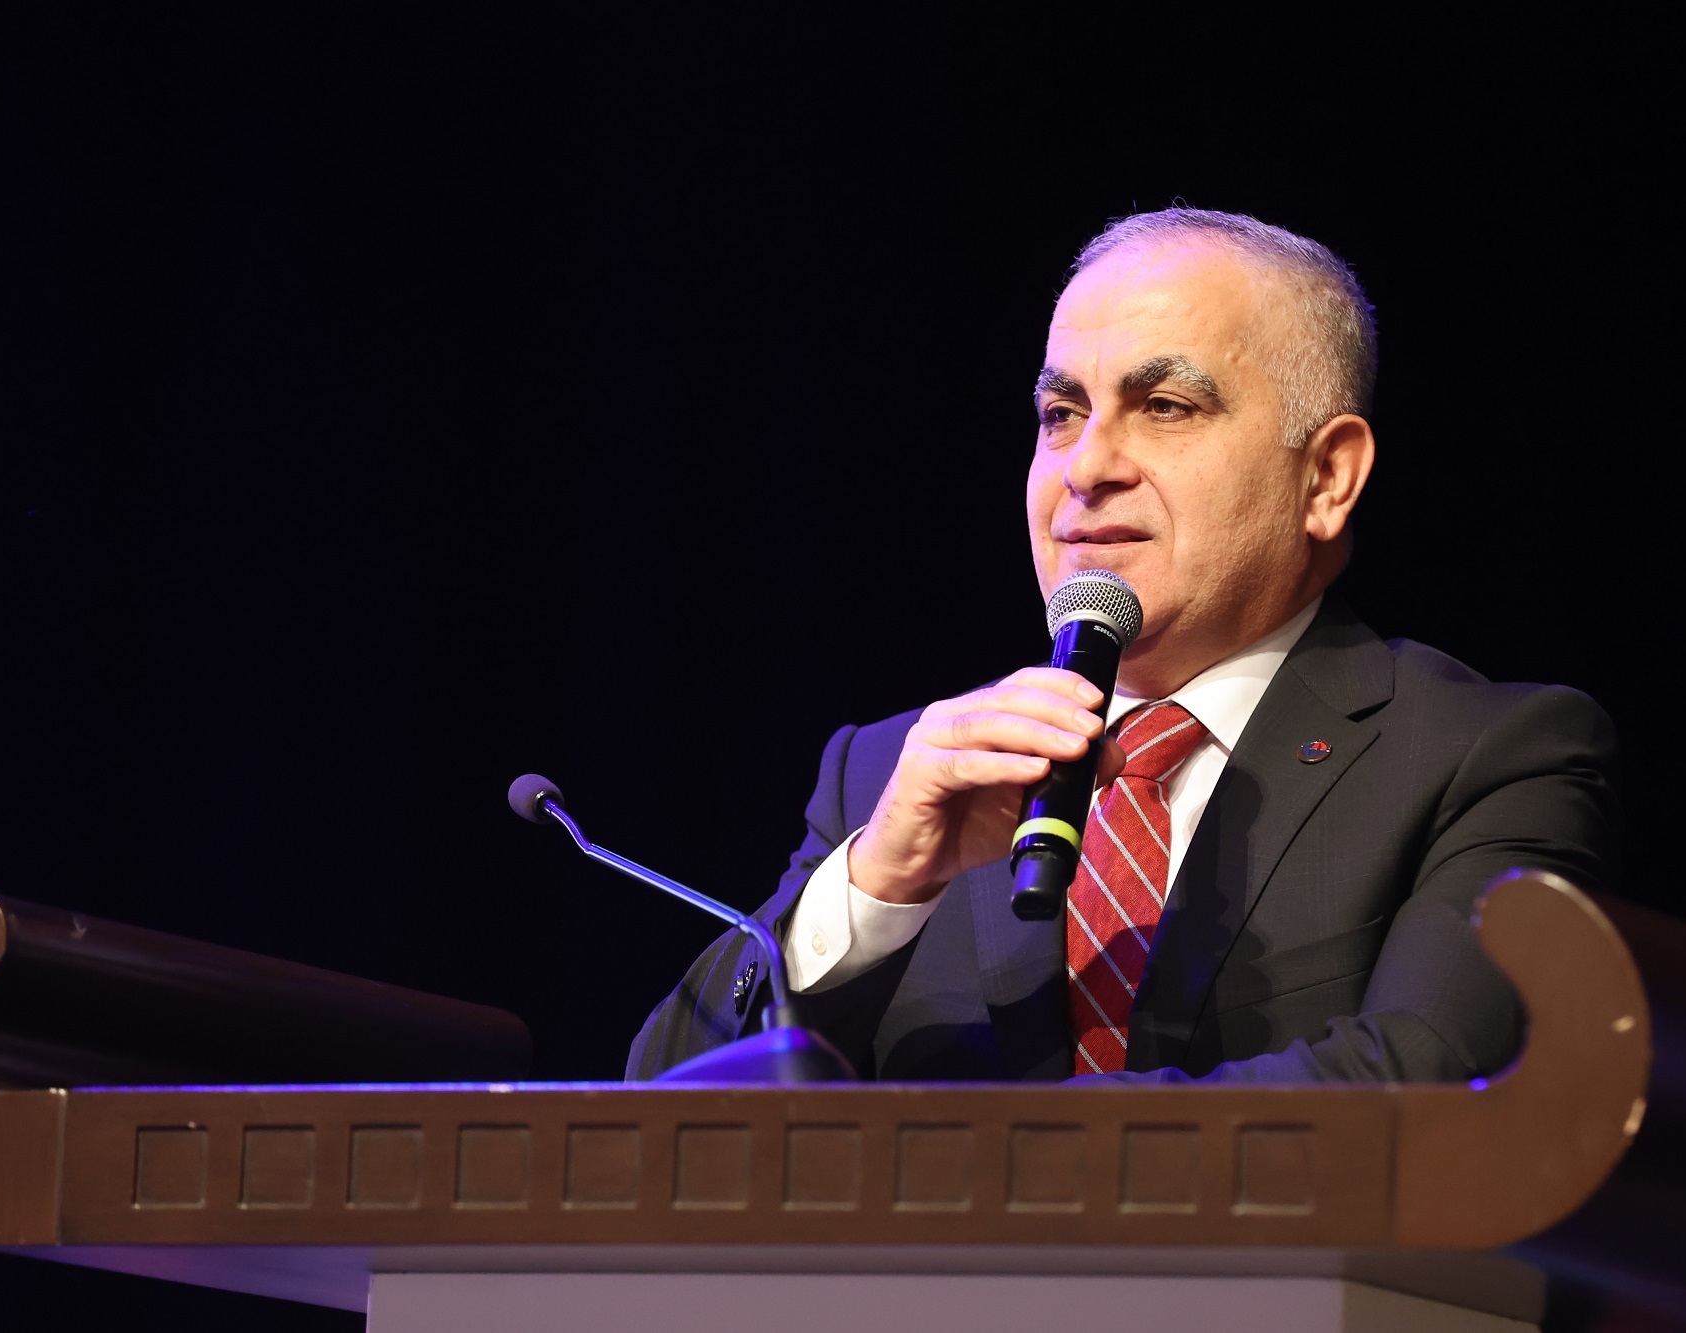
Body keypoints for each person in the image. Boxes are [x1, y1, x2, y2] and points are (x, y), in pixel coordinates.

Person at [628, 209, 1622, 1085]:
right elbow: (656, 1123)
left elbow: (1421, 1082)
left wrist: (985, 1162)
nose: (1085, 466)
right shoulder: (890, 777)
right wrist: (876, 887)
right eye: (1061, 414)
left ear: (1326, 477)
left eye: (1165, 407)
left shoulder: (1485, 758)